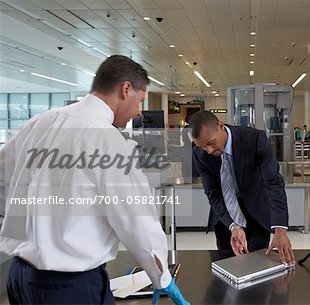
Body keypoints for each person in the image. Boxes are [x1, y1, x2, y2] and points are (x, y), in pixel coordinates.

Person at [0, 55, 189, 305]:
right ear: (125, 89)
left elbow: (3, 184)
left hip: (19, 278)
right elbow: (136, 218)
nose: (138, 111)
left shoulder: (39, 123)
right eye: (140, 101)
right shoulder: (107, 139)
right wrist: (161, 277)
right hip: (68, 287)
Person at [189, 111, 295, 265]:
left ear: (220, 126)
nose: (209, 151)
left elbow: (273, 183)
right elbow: (213, 194)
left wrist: (280, 229)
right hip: (225, 218)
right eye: (203, 147)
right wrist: (233, 226)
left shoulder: (255, 139)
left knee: (257, 268)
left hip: (256, 213)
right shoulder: (199, 154)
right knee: (227, 269)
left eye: (211, 143)